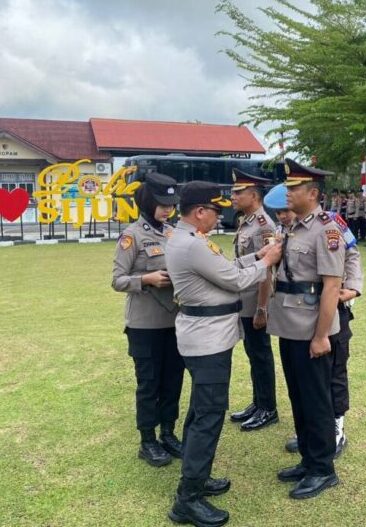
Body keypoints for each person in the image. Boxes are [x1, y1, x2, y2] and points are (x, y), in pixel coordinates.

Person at [165, 181, 282, 527]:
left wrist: (256, 256)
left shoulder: (189, 239)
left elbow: (222, 266)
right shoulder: (191, 243)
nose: (219, 216)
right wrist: (268, 260)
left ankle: (195, 477)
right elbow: (233, 280)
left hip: (203, 337)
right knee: (209, 416)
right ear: (199, 212)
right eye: (215, 210)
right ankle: (188, 498)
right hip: (208, 340)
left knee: (200, 410)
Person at [267, 159, 345, 500]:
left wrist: (321, 335)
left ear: (312, 193)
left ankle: (323, 469)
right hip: (289, 325)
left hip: (311, 328)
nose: (288, 193)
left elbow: (331, 287)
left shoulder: (326, 231)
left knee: (316, 400)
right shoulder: (294, 227)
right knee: (299, 397)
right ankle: (308, 459)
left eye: (294, 188)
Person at [112, 172, 184, 468]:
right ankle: (147, 440)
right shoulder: (132, 236)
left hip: (174, 323)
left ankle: (168, 432)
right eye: (161, 204)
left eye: (170, 204)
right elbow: (117, 280)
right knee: (149, 384)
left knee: (173, 382)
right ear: (146, 202)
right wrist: (147, 279)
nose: (167, 209)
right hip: (144, 325)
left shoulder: (172, 233)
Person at [228, 169, 279, 432]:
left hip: (255, 301)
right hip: (244, 298)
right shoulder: (246, 221)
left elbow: (266, 271)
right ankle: (258, 402)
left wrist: (262, 308)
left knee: (260, 354)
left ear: (254, 195)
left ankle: (268, 408)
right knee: (253, 353)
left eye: (238, 192)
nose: (233, 196)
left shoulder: (263, 226)